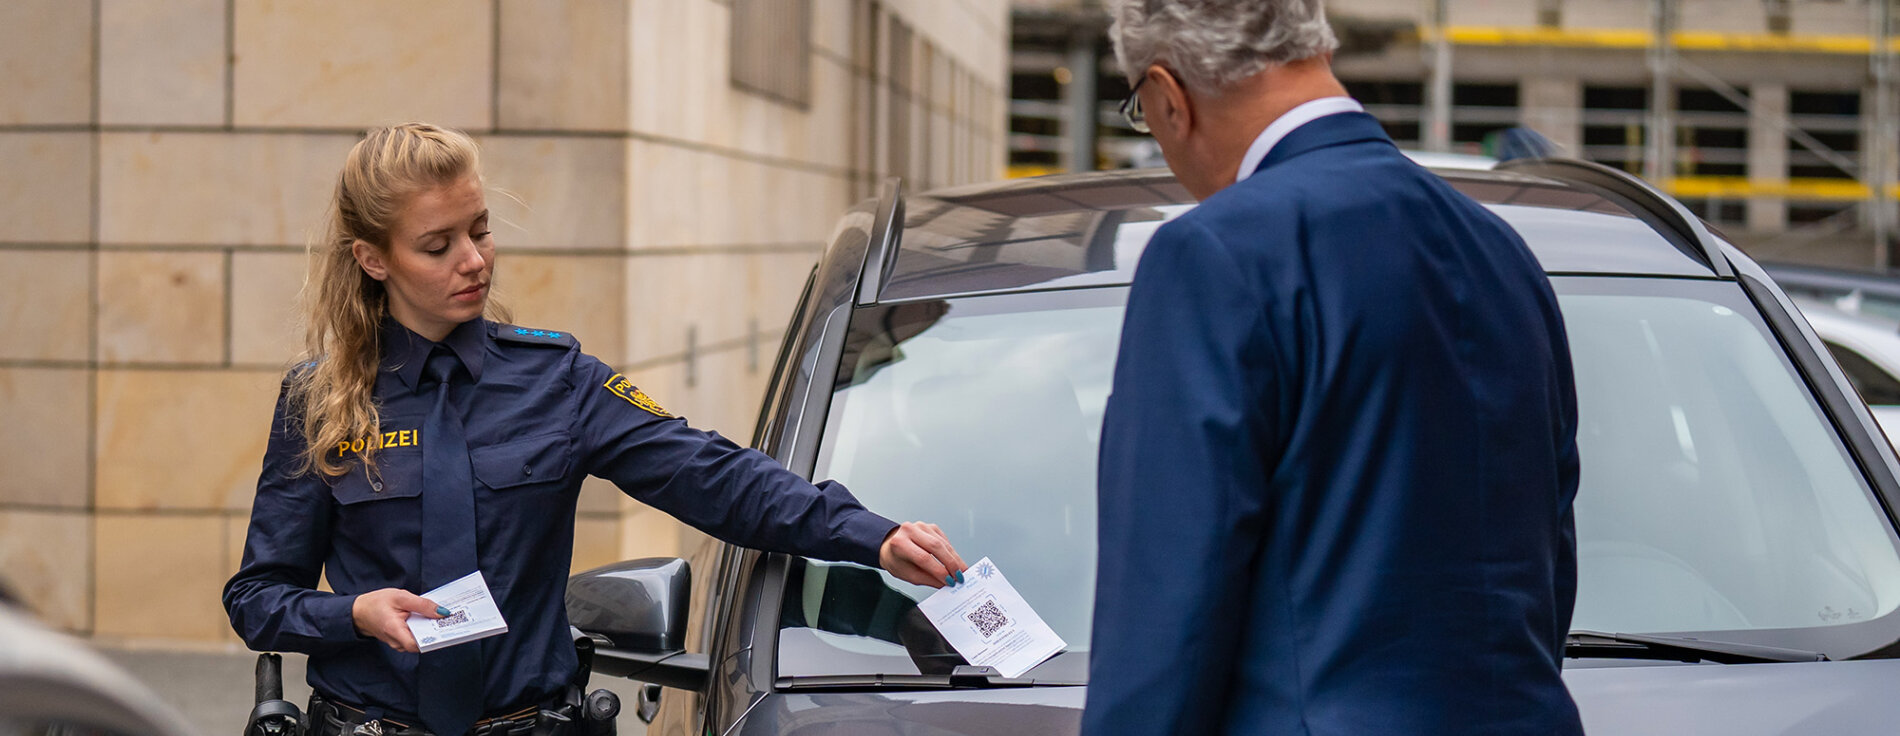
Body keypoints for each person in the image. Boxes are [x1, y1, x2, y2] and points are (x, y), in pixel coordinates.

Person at [223, 123, 968, 736]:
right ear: (372, 259)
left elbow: (712, 476)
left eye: (480, 230)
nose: (475, 260)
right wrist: (353, 613)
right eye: (438, 244)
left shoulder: (560, 379)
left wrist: (871, 534)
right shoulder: (320, 401)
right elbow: (257, 598)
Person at [1085, 2, 1582, 735]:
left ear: (1167, 95)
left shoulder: (1215, 253)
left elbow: (1167, 619)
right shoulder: (1499, 249)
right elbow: (1548, 557)